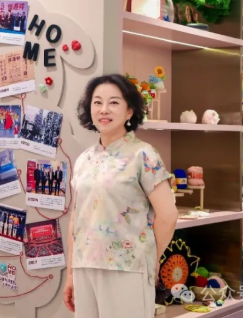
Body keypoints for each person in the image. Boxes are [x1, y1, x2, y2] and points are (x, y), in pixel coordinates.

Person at [63, 74, 178, 318]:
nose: (104, 109)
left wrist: (150, 258)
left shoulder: (143, 155)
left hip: (127, 268)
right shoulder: (84, 160)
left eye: (114, 102)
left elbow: (168, 216)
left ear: (129, 111)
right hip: (84, 267)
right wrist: (71, 273)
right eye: (97, 102)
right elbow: (76, 219)